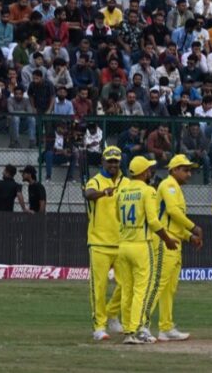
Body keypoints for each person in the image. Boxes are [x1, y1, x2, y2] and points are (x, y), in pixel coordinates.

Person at [115, 156, 178, 345]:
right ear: (143, 173)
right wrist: (167, 239)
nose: (151, 172)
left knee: (127, 290)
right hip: (142, 245)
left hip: (123, 245)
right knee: (142, 290)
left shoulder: (122, 191)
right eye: (149, 169)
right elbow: (153, 221)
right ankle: (137, 329)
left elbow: (118, 217)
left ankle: (128, 330)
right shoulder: (148, 191)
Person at [144, 155, 203, 342]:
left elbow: (174, 222)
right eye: (185, 170)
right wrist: (194, 227)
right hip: (164, 241)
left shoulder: (176, 188)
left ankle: (166, 327)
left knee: (169, 288)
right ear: (174, 170)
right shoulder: (169, 185)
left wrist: (189, 236)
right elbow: (172, 212)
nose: (189, 174)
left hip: (174, 241)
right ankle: (141, 325)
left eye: (189, 170)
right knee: (158, 284)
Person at [83, 146, 126, 341]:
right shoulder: (96, 180)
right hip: (99, 243)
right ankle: (99, 327)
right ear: (103, 162)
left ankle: (112, 313)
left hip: (122, 242)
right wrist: (103, 192)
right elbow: (88, 194)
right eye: (109, 161)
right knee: (98, 288)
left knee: (128, 284)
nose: (113, 165)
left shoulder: (127, 182)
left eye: (116, 161)